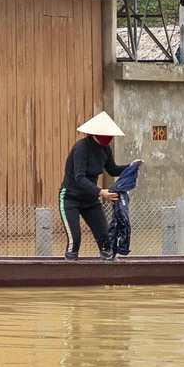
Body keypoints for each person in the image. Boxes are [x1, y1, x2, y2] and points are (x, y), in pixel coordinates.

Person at [61, 111, 126, 260]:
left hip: (91, 200)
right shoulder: (81, 148)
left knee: (106, 241)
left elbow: (113, 170)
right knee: (74, 240)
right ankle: (70, 271)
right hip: (71, 198)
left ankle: (108, 270)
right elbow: (79, 177)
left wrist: (131, 167)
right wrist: (100, 192)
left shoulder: (105, 149)